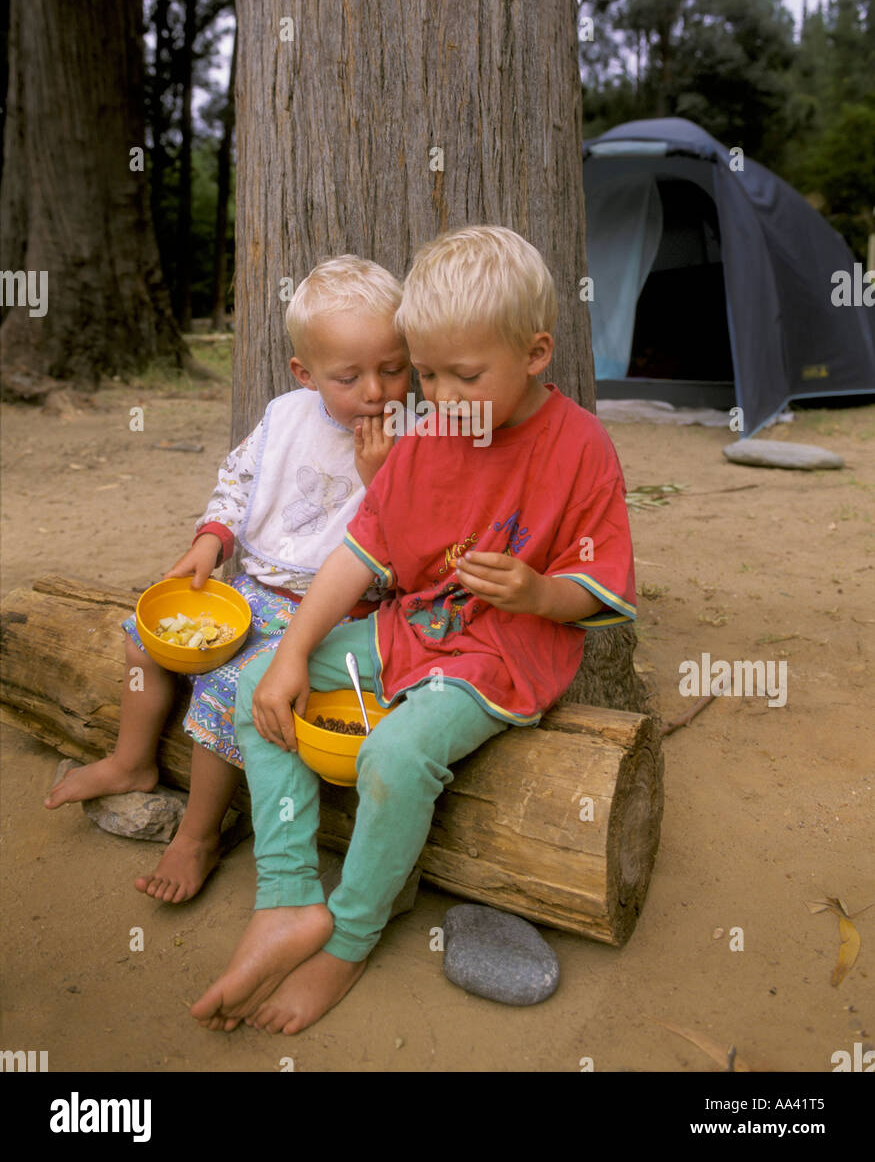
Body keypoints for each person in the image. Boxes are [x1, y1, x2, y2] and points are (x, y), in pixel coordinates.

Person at [192, 224, 637, 1036]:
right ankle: (290, 898)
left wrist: (540, 592)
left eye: (464, 376)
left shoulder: (580, 447)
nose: (437, 398)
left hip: (501, 654)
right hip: (411, 629)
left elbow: (601, 589)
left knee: (394, 754)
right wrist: (292, 651)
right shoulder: (430, 435)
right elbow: (360, 557)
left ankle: (352, 934)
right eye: (425, 374)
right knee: (257, 686)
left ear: (536, 353)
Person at [44, 256, 411, 903]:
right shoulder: (284, 416)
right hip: (251, 588)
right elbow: (238, 482)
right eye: (348, 376)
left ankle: (198, 833)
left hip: (331, 619)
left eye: (393, 368)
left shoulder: (412, 438)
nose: (376, 392)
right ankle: (133, 762)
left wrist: (382, 478)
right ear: (305, 374)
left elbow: (410, 546)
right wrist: (211, 540)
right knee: (143, 639)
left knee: (224, 689)